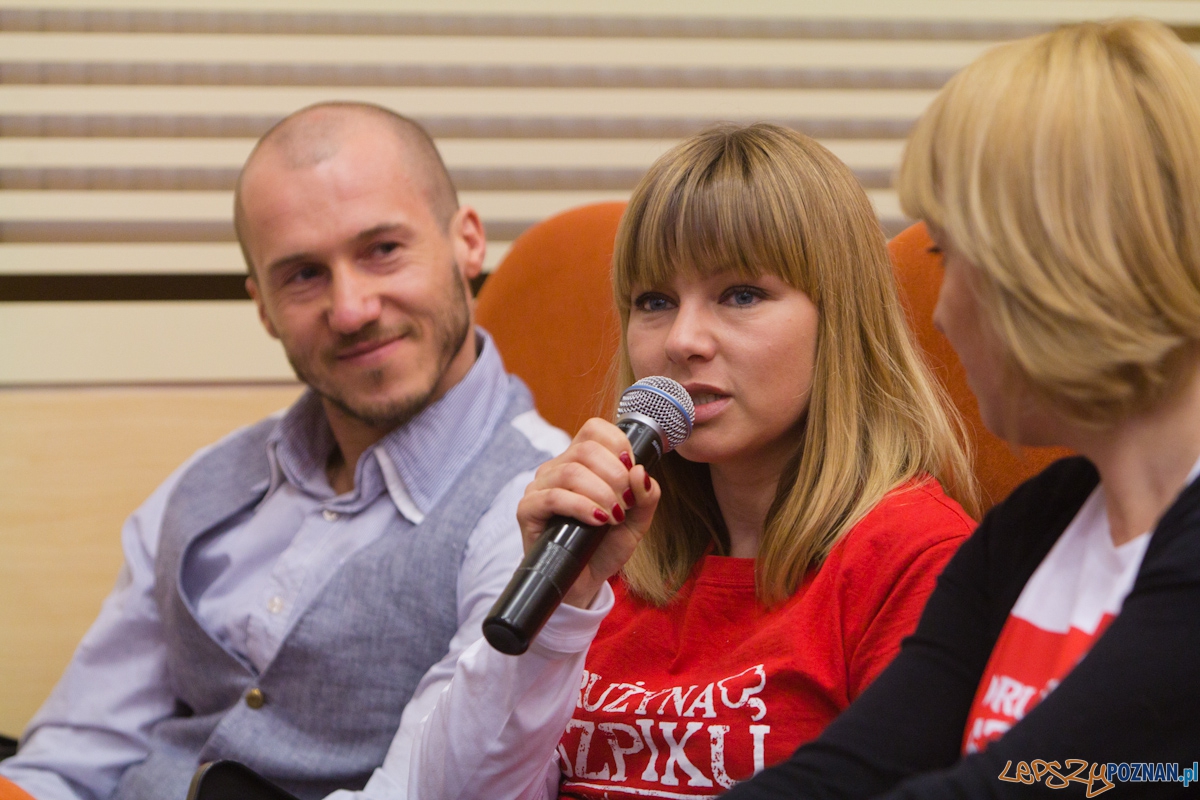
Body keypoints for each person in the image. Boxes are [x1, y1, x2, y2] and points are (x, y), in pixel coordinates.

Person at [0, 102, 569, 800]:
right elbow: (72, 754)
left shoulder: (536, 508)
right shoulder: (205, 484)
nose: (353, 309)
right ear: (262, 305)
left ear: (468, 243)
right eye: (303, 274)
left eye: (382, 249)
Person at [408, 123, 979, 799]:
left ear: (840, 317)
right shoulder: (607, 543)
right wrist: (563, 608)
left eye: (740, 295)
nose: (682, 340)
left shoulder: (915, 559)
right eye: (654, 302)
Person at [721, 19, 1200, 799]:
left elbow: (1013, 788)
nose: (940, 313)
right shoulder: (1037, 525)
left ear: (1053, 261)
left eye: (947, 254)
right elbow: (851, 771)